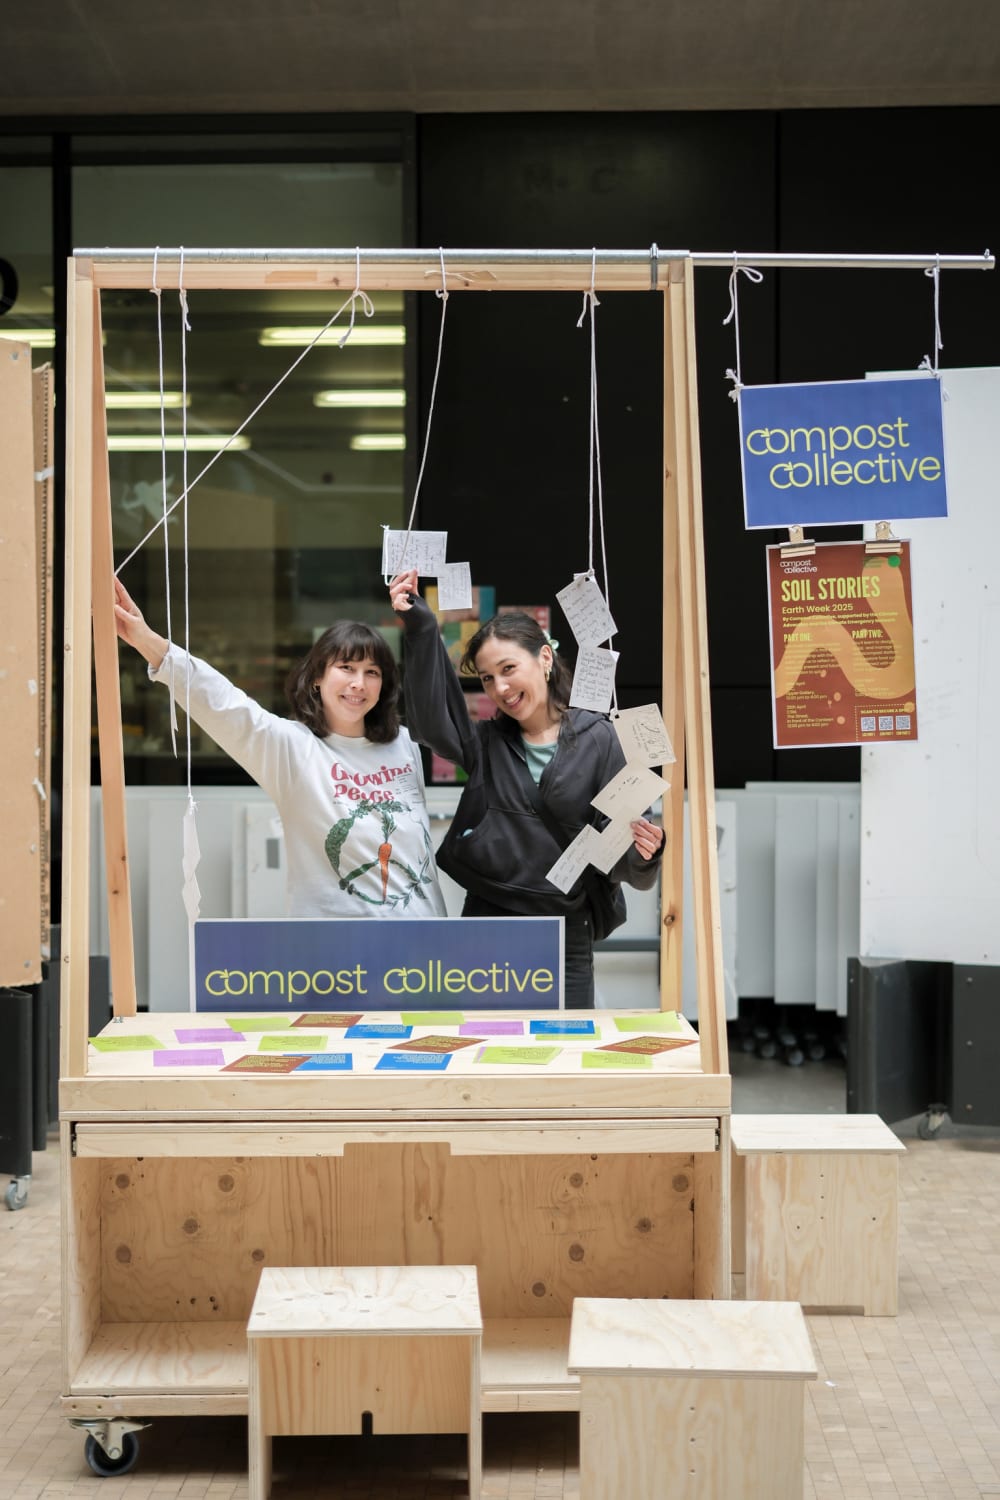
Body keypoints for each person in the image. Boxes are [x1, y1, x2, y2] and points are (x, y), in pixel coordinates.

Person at [389, 568, 664, 1007]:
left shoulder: (601, 738)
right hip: (486, 922)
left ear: (546, 659)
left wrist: (646, 851)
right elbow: (430, 720)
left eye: (508, 669)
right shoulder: (483, 743)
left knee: (563, 1057)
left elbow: (620, 850)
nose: (500, 687)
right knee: (485, 1054)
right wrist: (421, 626)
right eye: (486, 678)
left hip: (565, 929)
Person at [113, 577, 447, 919]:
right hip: (336, 948)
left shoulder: (404, 743)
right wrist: (148, 641)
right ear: (317, 677)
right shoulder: (292, 747)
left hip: (422, 941)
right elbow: (225, 705)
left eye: (371, 672)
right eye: (346, 668)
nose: (358, 683)